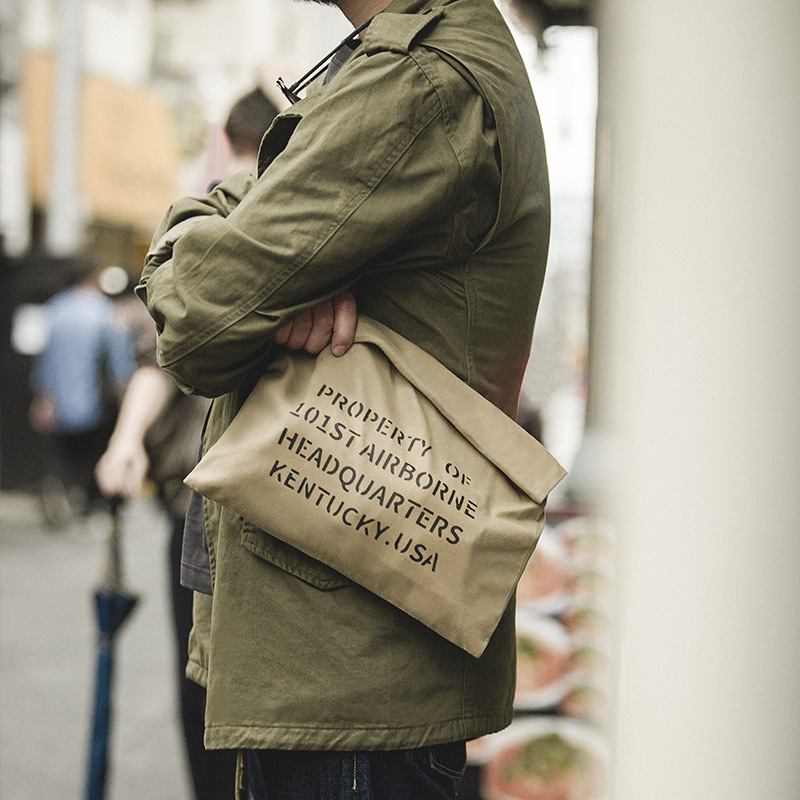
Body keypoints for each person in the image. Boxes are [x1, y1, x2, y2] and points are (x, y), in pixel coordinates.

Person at [136, 0, 551, 796]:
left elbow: (197, 320)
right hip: (347, 666)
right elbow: (228, 273)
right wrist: (242, 249)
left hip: (344, 677)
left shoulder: (418, 82)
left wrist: (200, 235)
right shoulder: (414, 64)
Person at [95, 87, 279, 800]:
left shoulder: (214, 218)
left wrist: (126, 440)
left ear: (225, 144)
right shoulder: (301, 214)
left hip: (203, 504)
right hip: (291, 494)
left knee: (203, 683)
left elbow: (159, 357)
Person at [30, 259, 135, 520]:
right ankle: (89, 502)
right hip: (98, 402)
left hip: (60, 401)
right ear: (92, 279)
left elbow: (43, 360)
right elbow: (120, 363)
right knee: (95, 453)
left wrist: (42, 398)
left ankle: (65, 487)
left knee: (66, 453)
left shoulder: (54, 310)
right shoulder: (105, 311)